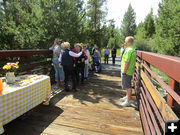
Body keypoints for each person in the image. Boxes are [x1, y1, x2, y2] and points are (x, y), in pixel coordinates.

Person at [120, 36, 136, 107]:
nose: (124, 42)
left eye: (125, 41)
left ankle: (128, 101)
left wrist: (124, 71)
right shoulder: (132, 49)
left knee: (128, 86)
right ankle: (127, 97)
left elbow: (127, 62)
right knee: (127, 85)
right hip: (129, 71)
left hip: (126, 71)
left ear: (128, 42)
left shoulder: (129, 50)